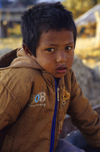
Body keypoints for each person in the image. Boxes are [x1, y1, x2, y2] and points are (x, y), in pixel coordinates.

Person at [0, 2, 100, 152]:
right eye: (50, 49)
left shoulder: (67, 76)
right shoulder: (20, 79)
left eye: (68, 48)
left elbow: (86, 117)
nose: (62, 58)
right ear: (28, 50)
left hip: (49, 145)